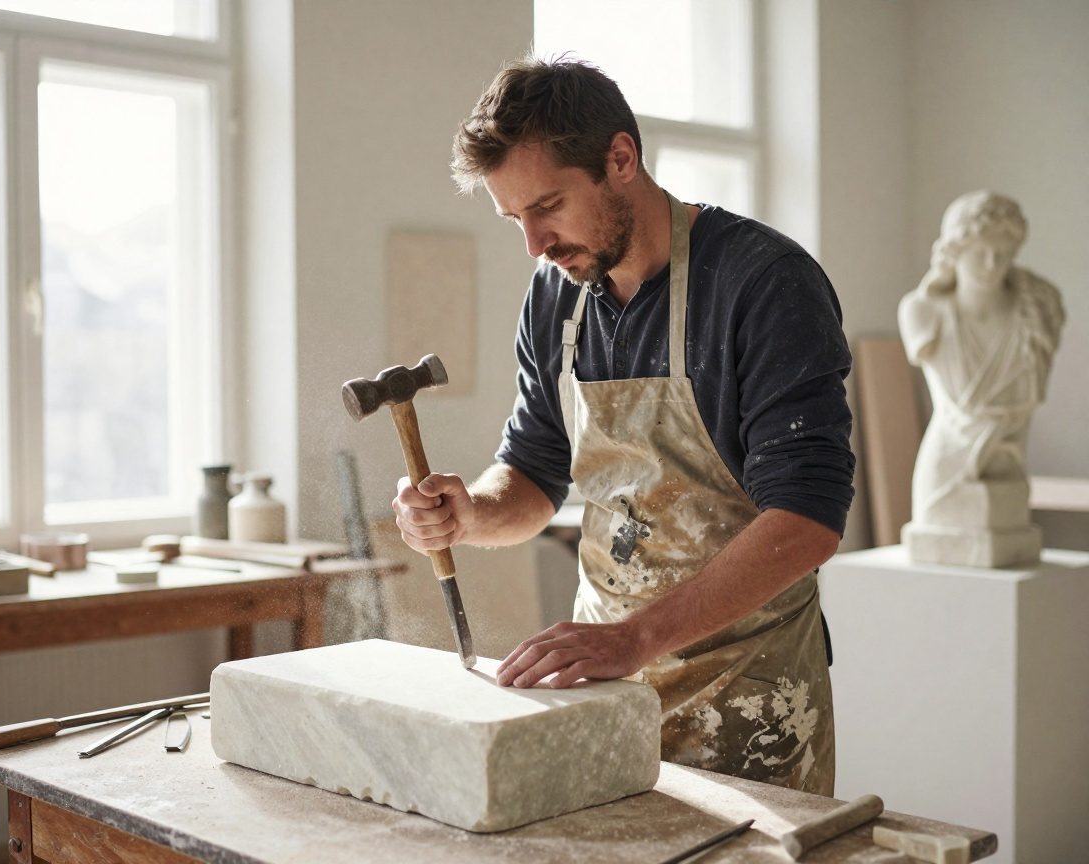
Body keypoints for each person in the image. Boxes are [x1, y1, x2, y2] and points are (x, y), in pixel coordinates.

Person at [392, 57, 854, 794]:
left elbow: (807, 520)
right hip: (605, 688)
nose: (535, 245)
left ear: (621, 158)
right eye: (516, 219)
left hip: (748, 696)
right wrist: (470, 512)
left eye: (549, 206)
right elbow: (537, 471)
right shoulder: (558, 295)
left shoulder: (763, 284)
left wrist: (634, 638)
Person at [898, 191, 1064, 562]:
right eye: (980, 253)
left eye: (1003, 254)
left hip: (1009, 458)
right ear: (954, 251)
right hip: (948, 463)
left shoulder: (1037, 312)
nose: (992, 263)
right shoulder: (923, 312)